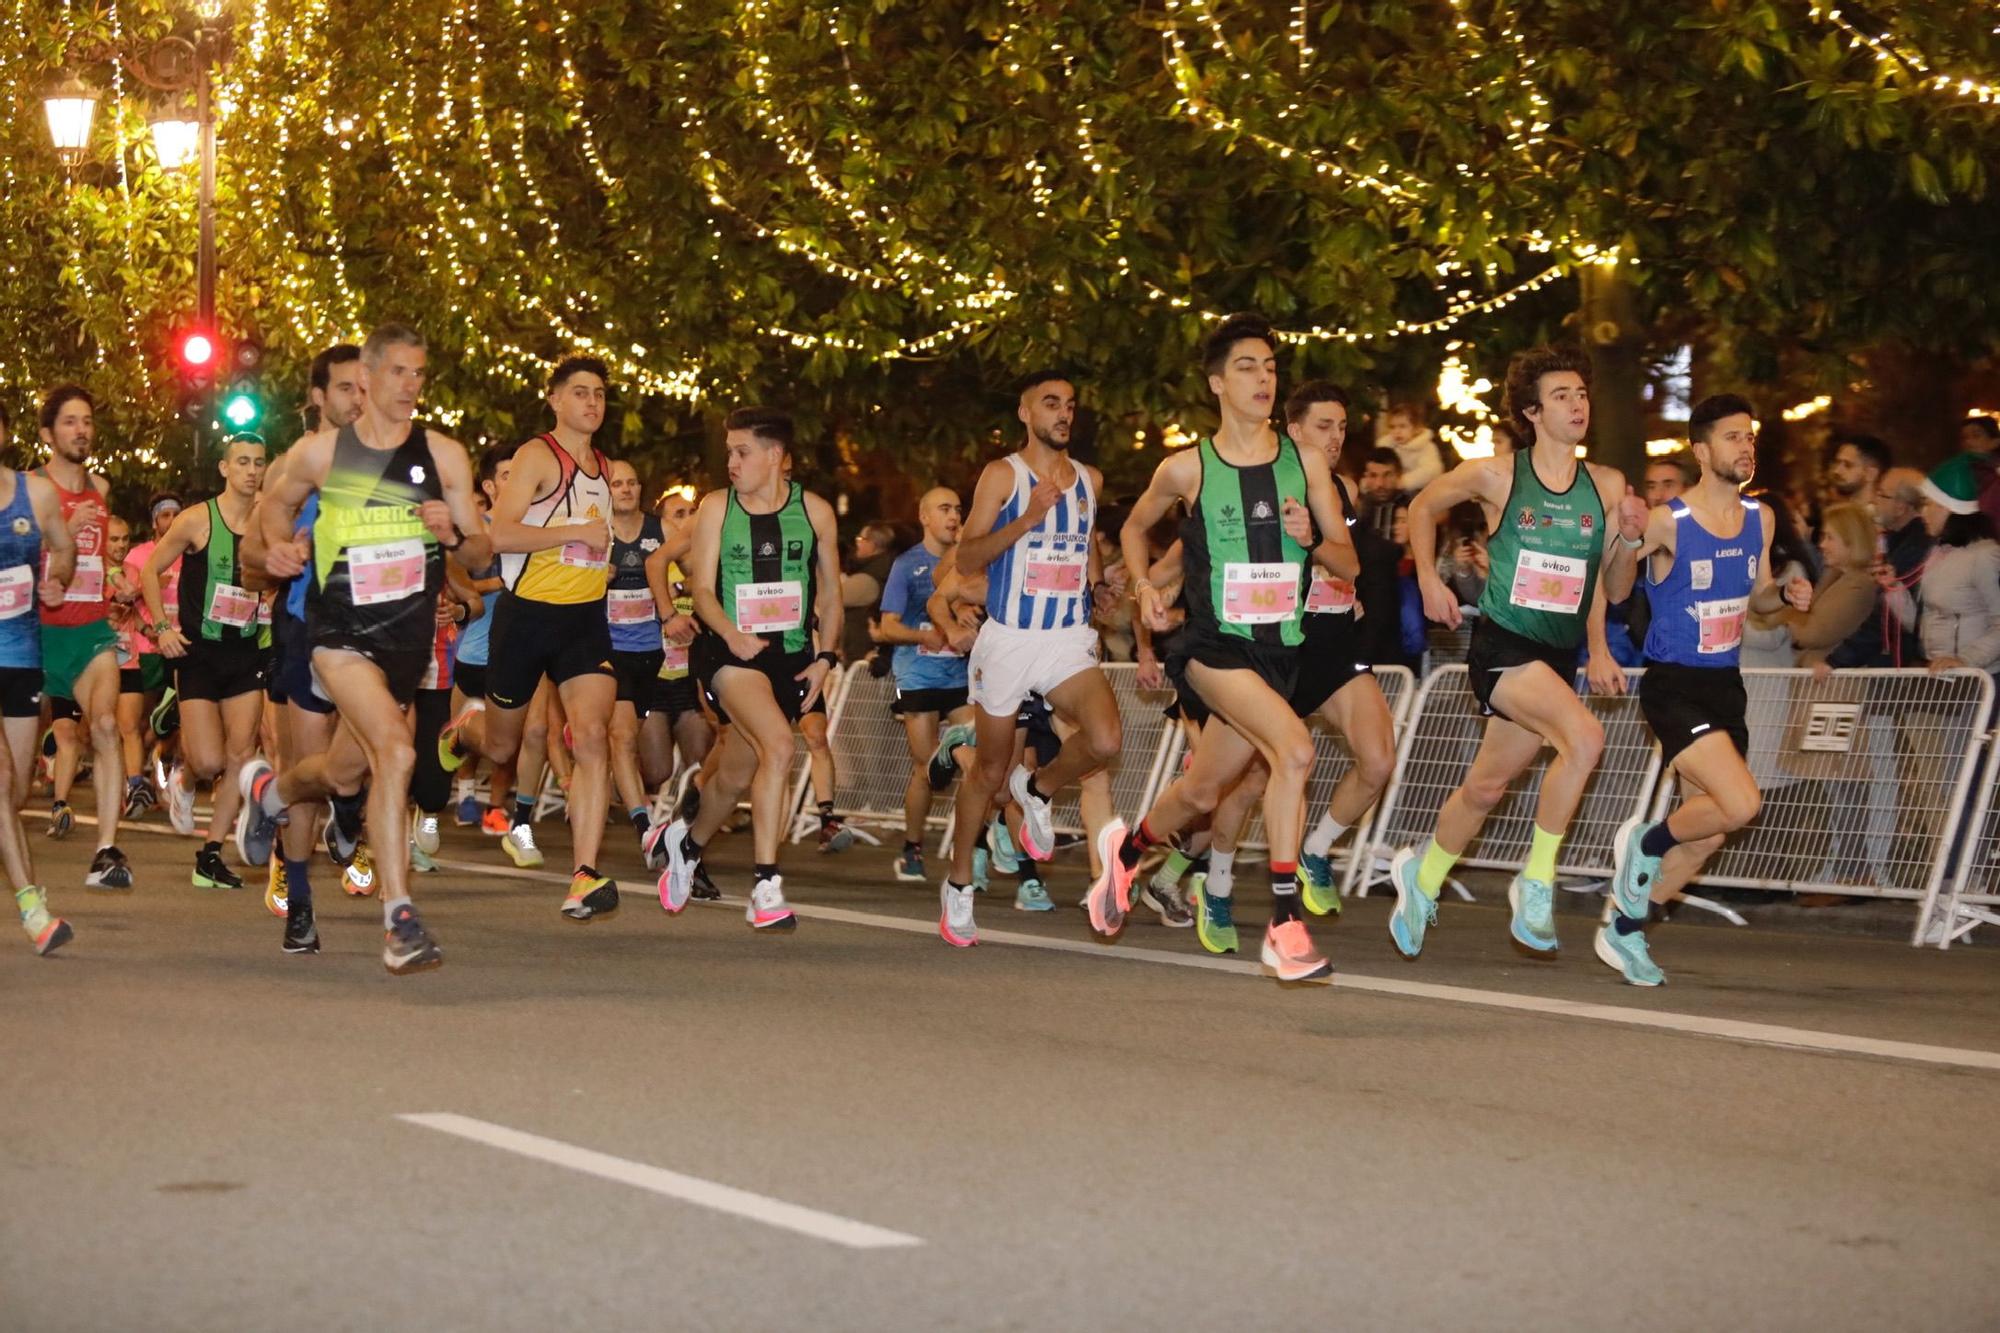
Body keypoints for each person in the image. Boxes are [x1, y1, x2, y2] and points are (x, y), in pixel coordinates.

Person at [241, 322, 492, 972]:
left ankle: (270, 794)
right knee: (397, 748)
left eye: (419, 374)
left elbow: (480, 550)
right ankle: (398, 917)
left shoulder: (444, 456)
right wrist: (276, 547)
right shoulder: (321, 455)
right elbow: (268, 512)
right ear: (371, 379)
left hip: (404, 642)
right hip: (335, 635)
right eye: (397, 373)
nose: (410, 385)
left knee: (340, 772)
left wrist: (455, 533)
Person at [1114, 349, 1364, 980]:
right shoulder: (1186, 467)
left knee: (1202, 789)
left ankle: (1128, 852)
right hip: (1210, 646)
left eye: (1271, 368)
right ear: (1218, 383)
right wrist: (1144, 588)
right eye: (1248, 368)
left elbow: (1349, 564)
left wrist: (1312, 539)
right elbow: (1133, 528)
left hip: (1279, 652)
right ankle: (1284, 924)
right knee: (1296, 751)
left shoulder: (1304, 464)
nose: (1264, 379)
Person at [1390, 345, 1645, 960]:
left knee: (1485, 788)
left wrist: (1630, 542)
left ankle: (1420, 881)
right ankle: (1536, 881)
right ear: (1532, 412)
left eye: (1582, 394)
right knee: (1585, 739)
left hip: (1556, 657)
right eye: (1562, 396)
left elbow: (1611, 587)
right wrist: (1428, 579)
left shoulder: (1605, 485)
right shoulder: (1496, 475)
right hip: (1503, 647)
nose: (1577, 404)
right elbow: (1422, 507)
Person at [1605, 395, 1811, 984]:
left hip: (1726, 683)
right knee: (1743, 804)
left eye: (1749, 436)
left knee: (1710, 832)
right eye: (1731, 437)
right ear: (1701, 450)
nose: (1745, 446)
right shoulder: (1671, 519)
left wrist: (1787, 598)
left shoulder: (1760, 519)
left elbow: (1759, 598)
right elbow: (1619, 591)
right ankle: (1645, 841)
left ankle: (1623, 932)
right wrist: (1625, 539)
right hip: (1675, 685)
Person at [935, 370, 1119, 948]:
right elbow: (967, 557)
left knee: (1106, 739)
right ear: (1025, 413)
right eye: (1050, 404)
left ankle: (1037, 790)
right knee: (988, 774)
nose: (1064, 413)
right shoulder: (1003, 475)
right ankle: (959, 882)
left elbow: (1084, 546)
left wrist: (1099, 589)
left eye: (1070, 404)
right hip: (1010, 639)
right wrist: (1028, 518)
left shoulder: (1089, 480)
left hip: (1065, 639)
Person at [438, 356, 621, 921]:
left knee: (591, 737)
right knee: (501, 746)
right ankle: (461, 730)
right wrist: (578, 534)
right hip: (527, 618)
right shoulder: (538, 456)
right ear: (556, 399)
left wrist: (598, 557)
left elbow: (592, 539)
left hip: (584, 620)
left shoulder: (603, 463)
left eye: (599, 394)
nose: (592, 403)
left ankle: (584, 876)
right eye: (580, 393)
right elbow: (501, 535)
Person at [652, 408, 842, 929]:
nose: (731, 462)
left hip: (790, 655)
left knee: (735, 773)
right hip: (728, 650)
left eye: (742, 452)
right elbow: (703, 589)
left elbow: (832, 594)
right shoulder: (717, 507)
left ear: (776, 456)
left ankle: (685, 844)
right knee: (780, 746)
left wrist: (826, 657)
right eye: (729, 452)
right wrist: (731, 632)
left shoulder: (817, 512)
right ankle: (766, 885)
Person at [141, 432, 271, 891]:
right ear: (224, 468)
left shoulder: (269, 522)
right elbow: (149, 571)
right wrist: (162, 628)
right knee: (211, 758)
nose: (251, 471)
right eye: (242, 462)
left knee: (240, 754)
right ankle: (184, 770)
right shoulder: (198, 520)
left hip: (247, 652)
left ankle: (211, 855)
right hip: (198, 654)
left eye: (258, 462)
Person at [34, 386, 135, 889]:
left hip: (91, 632)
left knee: (104, 726)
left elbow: (99, 561)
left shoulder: (99, 486)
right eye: (70, 422)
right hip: (33, 637)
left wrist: (118, 586)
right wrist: (64, 531)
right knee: (13, 759)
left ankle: (106, 852)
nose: (82, 430)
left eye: (87, 421)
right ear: (48, 434)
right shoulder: (31, 488)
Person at [873, 486, 971, 883]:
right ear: (924, 516)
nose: (953, 516)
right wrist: (924, 636)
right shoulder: (907, 564)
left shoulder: (970, 563)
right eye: (944, 508)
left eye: (958, 509)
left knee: (979, 759)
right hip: (917, 675)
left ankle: (975, 849)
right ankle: (912, 847)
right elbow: (887, 626)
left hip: (960, 677)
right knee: (925, 767)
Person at [0, 457, 77, 951]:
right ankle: (33, 909)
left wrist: (58, 580)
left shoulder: (38, 494)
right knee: (1, 778)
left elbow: (65, 549)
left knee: (18, 794)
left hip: (20, 655)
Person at [602, 459, 676, 852]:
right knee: (622, 735)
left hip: (651, 651)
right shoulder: (596, 532)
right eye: (617, 483)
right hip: (606, 649)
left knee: (657, 766)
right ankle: (644, 825)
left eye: (632, 482)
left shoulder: (660, 529)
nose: (626, 489)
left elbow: (696, 565)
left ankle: (634, 799)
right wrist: (595, 578)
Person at [1883, 455, 2000, 675]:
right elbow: (1924, 623)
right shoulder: (1938, 552)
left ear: (1948, 508)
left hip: (1980, 679)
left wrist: (1964, 660)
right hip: (1943, 676)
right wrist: (1893, 589)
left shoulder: (1986, 556)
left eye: (1928, 504)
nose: (1922, 513)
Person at [1868, 467, 1933, 668]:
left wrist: (1836, 660)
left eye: (1882, 495)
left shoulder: (1915, 547)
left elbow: (1887, 614)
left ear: (1900, 507)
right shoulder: (1896, 541)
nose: (1874, 500)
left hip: (1903, 662)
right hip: (1895, 659)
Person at [1380, 400, 1446, 493]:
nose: (1397, 431)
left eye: (1402, 426)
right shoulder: (1386, 446)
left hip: (1421, 493)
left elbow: (1431, 470)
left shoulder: (1425, 447)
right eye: (1392, 427)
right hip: (1391, 492)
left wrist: (1404, 481)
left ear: (1415, 428)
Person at [1824, 431, 1890, 513]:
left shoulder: (1877, 518)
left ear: (1871, 474)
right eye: (1837, 463)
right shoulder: (1845, 514)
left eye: (1848, 465)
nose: (1837, 471)